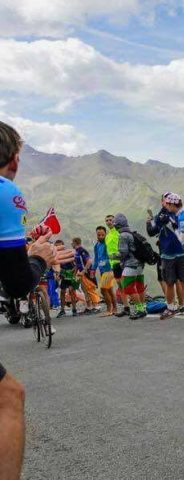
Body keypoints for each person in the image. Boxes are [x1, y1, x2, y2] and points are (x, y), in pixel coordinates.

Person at [0, 120, 74, 480]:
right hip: (26, 280)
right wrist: (39, 259)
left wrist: (26, 249)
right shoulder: (5, 190)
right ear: (14, 159)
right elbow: (15, 284)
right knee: (8, 398)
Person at [146, 193, 184, 320]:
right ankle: (171, 307)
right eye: (164, 202)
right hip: (166, 253)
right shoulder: (161, 214)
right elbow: (151, 231)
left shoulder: (181, 214)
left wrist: (171, 223)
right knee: (169, 282)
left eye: (167, 202)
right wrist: (150, 222)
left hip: (181, 252)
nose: (165, 204)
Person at [113, 213, 147, 320]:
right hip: (140, 264)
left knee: (128, 287)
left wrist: (112, 256)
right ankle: (143, 307)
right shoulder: (132, 233)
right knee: (139, 286)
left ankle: (140, 309)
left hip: (130, 264)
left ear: (117, 225)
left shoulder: (123, 235)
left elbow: (123, 252)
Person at [105, 214, 129, 317]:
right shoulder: (107, 236)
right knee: (120, 285)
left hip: (122, 261)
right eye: (107, 220)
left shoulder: (119, 232)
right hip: (113, 264)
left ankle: (139, 305)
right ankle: (126, 307)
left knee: (126, 284)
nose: (109, 222)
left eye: (110, 220)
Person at [72, 237, 99, 313]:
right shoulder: (76, 252)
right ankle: (89, 307)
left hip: (87, 273)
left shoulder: (82, 251)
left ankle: (96, 306)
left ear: (75, 242)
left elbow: (89, 261)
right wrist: (74, 274)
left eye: (72, 242)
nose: (71, 244)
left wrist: (84, 271)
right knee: (85, 290)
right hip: (81, 274)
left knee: (90, 289)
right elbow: (78, 264)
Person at [94, 226, 117, 316]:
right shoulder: (97, 245)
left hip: (109, 269)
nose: (100, 236)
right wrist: (93, 269)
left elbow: (111, 255)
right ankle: (114, 309)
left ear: (105, 234)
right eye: (98, 235)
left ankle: (109, 309)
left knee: (103, 290)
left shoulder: (108, 243)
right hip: (102, 270)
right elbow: (96, 258)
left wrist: (107, 263)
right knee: (110, 289)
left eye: (102, 235)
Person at [56, 239, 79, 318]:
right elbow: (56, 266)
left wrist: (74, 272)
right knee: (62, 292)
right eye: (56, 246)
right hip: (63, 275)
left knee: (72, 290)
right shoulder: (56, 255)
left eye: (60, 246)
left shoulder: (69, 253)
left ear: (63, 246)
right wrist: (58, 274)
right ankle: (62, 310)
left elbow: (76, 264)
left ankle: (74, 309)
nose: (58, 247)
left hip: (70, 275)